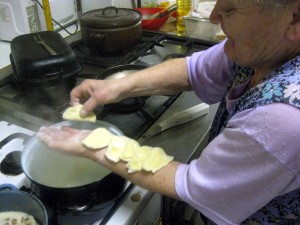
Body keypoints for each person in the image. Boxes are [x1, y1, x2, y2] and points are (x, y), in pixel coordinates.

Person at [37, 0, 300, 224]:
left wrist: (93, 146)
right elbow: (197, 68)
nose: (213, 16)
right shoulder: (265, 47)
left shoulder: (285, 115)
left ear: (295, 19)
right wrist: (115, 87)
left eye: (230, 9)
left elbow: (197, 184)